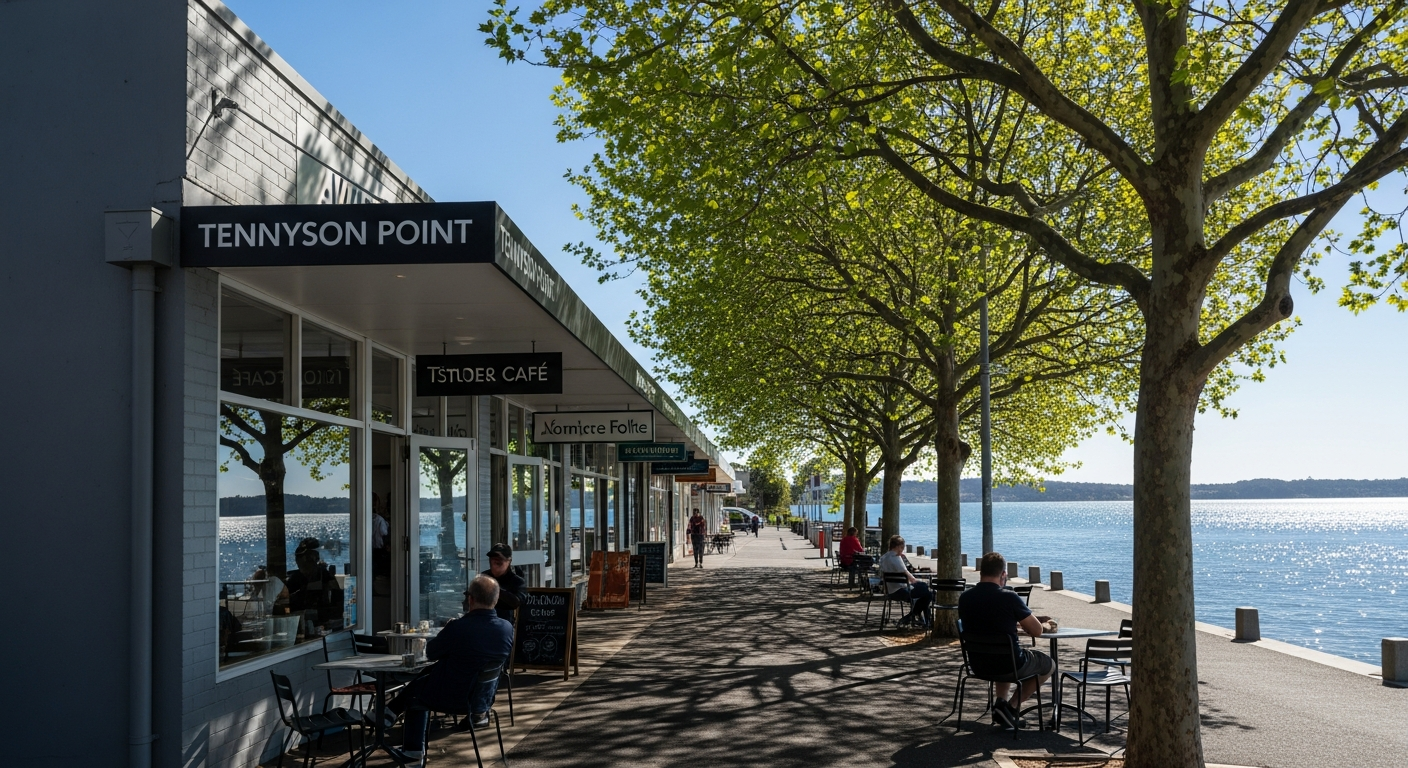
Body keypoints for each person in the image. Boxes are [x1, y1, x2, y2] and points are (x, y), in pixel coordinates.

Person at [385, 575, 514, 762]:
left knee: (416, 695)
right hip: (482, 700)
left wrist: (449, 630)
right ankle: (389, 715)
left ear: (470, 599)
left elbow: (431, 652)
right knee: (429, 675)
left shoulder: (459, 627)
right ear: (496, 600)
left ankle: (412, 752)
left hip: (454, 698)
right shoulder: (506, 628)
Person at [957, 551, 1056, 731]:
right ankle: (1011, 707)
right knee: (1048, 664)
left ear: (980, 572)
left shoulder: (965, 598)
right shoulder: (1009, 597)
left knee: (1003, 655)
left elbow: (985, 622)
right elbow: (1037, 630)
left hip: (978, 664)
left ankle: (1000, 705)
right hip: (1008, 664)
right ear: (1003, 574)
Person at [877, 535, 932, 627]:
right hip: (902, 591)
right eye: (902, 547)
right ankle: (912, 616)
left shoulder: (883, 558)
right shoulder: (896, 558)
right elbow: (909, 576)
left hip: (890, 591)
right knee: (927, 593)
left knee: (925, 593)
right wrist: (917, 581)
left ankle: (918, 618)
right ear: (897, 546)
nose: (902, 550)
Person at [481, 543, 528, 624]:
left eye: (499, 563)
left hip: (506, 625)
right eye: (492, 561)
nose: (494, 566)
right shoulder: (483, 577)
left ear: (509, 561)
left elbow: (516, 602)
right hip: (483, 623)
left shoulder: (517, 581)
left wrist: (494, 588)